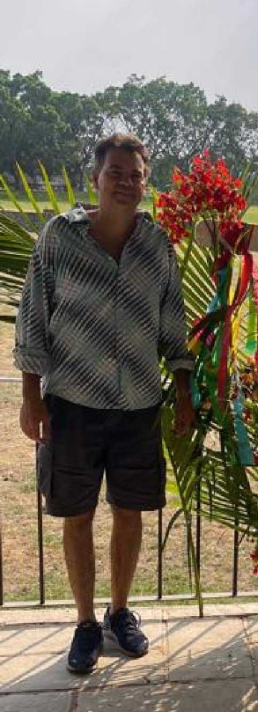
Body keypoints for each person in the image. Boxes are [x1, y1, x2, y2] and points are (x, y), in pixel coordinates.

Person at [15, 133, 195, 675]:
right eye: (116, 172)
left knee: (129, 512)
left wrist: (183, 390)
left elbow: (173, 324)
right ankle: (86, 623)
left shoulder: (156, 246)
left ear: (145, 182)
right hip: (72, 404)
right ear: (95, 177)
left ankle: (120, 613)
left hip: (139, 404)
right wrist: (30, 397)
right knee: (76, 515)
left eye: (136, 174)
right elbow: (33, 319)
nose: (126, 182)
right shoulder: (58, 239)